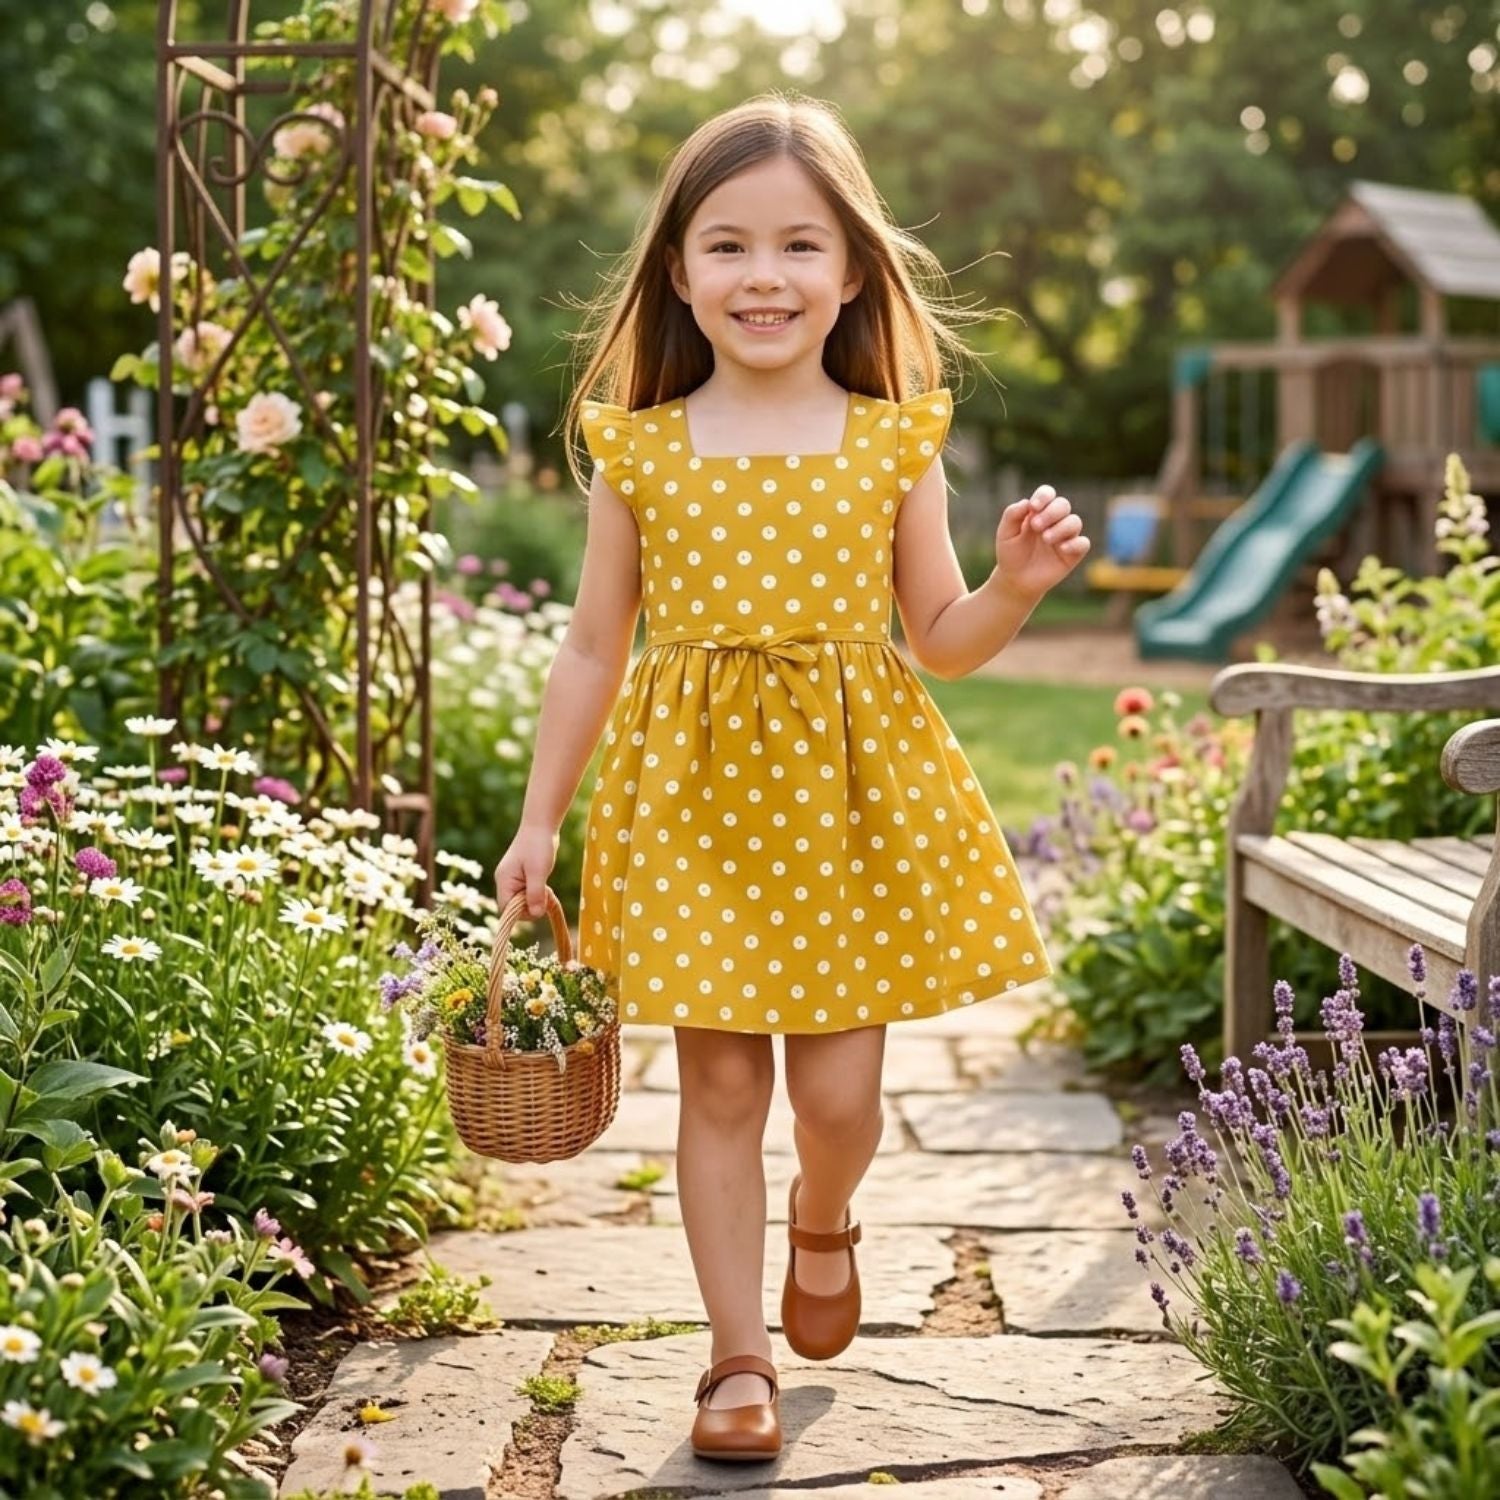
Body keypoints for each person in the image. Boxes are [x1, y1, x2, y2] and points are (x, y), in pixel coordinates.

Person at [493, 90, 1091, 1463]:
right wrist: (540, 819)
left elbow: (941, 643)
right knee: (716, 1093)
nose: (764, 275)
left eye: (799, 246)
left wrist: (1015, 586)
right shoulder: (635, 447)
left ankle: (824, 1220)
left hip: (846, 808)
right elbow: (593, 648)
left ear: (854, 273)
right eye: (728, 246)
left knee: (835, 1103)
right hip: (688, 804)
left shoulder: (895, 439)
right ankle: (733, 1361)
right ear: (680, 276)